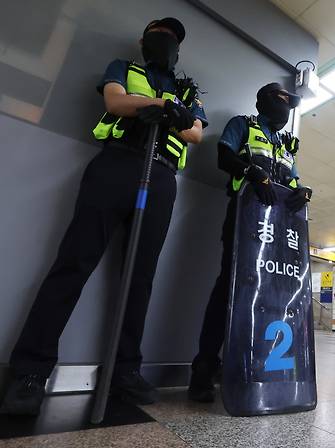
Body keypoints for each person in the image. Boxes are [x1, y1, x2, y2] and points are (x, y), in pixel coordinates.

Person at [0, 18, 207, 416]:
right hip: (117, 166)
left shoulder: (189, 89)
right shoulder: (123, 69)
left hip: (161, 175)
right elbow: (115, 101)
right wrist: (161, 106)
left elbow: (194, 132)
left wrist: (170, 110)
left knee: (138, 279)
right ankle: (30, 371)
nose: (165, 41)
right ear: (144, 41)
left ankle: (124, 371)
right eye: (158, 34)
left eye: (172, 38)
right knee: (74, 263)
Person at [188, 82, 311, 403]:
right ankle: (203, 369)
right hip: (246, 218)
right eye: (284, 99)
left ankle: (254, 366)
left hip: (279, 230)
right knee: (231, 287)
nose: (287, 107)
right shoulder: (243, 124)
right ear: (267, 100)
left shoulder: (285, 146)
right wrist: (253, 173)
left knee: (271, 295)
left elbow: (294, 180)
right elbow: (223, 155)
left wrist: (303, 191)